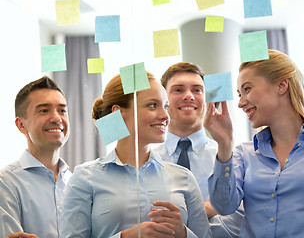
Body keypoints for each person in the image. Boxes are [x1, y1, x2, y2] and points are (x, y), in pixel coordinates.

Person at [205, 49, 304, 237]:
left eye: (247, 89)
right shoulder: (242, 153)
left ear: (281, 85)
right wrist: (224, 144)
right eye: (239, 94)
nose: (240, 103)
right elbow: (224, 205)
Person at [59, 73, 211, 238]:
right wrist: (123, 237)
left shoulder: (184, 177)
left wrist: (183, 234)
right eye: (153, 105)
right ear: (119, 112)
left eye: (166, 106)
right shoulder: (85, 177)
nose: (165, 116)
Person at [154, 62, 243, 237]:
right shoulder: (149, 160)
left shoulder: (231, 156)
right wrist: (210, 210)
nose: (189, 96)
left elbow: (238, 221)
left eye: (197, 90)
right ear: (163, 101)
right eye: (178, 90)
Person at [0, 76, 72, 238]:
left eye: (62, 110)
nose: (56, 118)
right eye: (44, 110)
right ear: (21, 125)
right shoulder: (5, 183)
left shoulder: (76, 182)